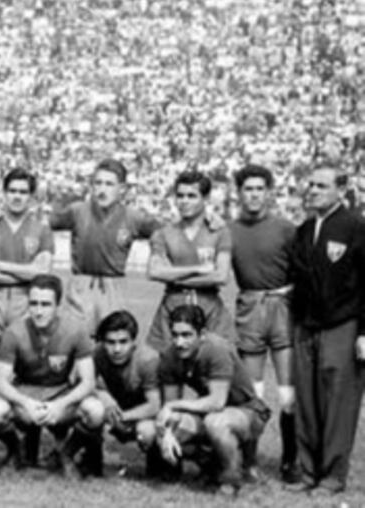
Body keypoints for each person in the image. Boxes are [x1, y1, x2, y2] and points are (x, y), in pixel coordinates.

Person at [286, 163, 365, 497]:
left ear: (341, 190)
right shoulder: (304, 229)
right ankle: (306, 471)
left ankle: (332, 475)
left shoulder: (355, 227)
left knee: (338, 401)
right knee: (307, 400)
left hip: (343, 324)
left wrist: (364, 331)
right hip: (306, 326)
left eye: (321, 185)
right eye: (311, 185)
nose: (313, 190)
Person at [0, 274, 102, 477]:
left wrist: (60, 404)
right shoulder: (14, 332)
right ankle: (16, 451)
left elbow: (88, 382)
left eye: (46, 304)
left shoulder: (76, 330)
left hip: (60, 392)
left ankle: (65, 453)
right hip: (25, 392)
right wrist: (26, 403)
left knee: (95, 411)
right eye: (34, 303)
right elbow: (0, 382)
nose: (38, 311)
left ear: (58, 306)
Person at [154, 305, 270, 497]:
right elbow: (168, 407)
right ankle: (210, 467)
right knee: (174, 426)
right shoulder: (169, 356)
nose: (179, 342)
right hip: (210, 409)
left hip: (247, 410)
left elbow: (217, 402)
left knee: (215, 423)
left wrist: (172, 406)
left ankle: (230, 479)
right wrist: (166, 433)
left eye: (186, 335)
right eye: (175, 335)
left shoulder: (217, 349)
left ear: (202, 334)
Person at [228, 164, 298, 482]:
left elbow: (304, 271)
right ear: (239, 193)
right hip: (250, 308)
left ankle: (290, 461)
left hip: (283, 308)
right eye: (248, 189)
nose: (253, 195)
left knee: (288, 394)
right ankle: (249, 461)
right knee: (252, 393)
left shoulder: (285, 228)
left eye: (259, 189)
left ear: (269, 192)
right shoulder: (229, 230)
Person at [48, 159, 159, 330]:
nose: (102, 189)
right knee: (73, 341)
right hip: (80, 287)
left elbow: (165, 233)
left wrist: (207, 220)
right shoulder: (77, 211)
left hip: (114, 288)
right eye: (98, 183)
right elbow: (41, 224)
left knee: (111, 341)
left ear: (121, 189)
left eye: (109, 184)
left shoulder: (133, 217)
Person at [145, 171, 235, 351]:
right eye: (180, 195)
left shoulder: (219, 232)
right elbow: (153, 272)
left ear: (206, 198)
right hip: (172, 306)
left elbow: (220, 276)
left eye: (191, 196)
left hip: (209, 308)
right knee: (166, 368)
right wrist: (199, 269)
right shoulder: (164, 233)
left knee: (214, 365)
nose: (184, 201)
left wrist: (173, 276)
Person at [0, 168, 53, 341]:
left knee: (24, 362)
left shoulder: (41, 228)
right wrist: (27, 273)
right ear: (4, 193)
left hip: (26, 306)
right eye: (12, 191)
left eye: (23, 192)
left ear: (31, 196)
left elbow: (42, 273)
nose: (17, 196)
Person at [90, 310, 161, 478]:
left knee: (147, 431)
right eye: (110, 342)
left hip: (143, 415)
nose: (117, 349)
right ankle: (89, 461)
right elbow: (80, 382)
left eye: (123, 342)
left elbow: (154, 405)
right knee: (89, 410)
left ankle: (156, 466)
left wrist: (122, 417)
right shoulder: (98, 353)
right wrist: (101, 395)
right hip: (117, 409)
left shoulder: (148, 360)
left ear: (133, 342)